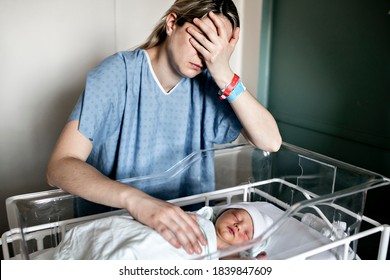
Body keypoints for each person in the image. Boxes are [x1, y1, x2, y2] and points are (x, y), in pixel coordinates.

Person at [46, 0, 282, 257]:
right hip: (119, 232)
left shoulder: (212, 85)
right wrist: (137, 202)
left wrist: (224, 72)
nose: (205, 56)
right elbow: (60, 166)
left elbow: (270, 142)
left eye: (216, 49)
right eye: (201, 40)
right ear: (172, 24)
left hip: (189, 237)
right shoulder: (118, 74)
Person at [52, 202, 273, 260]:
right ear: (223, 212)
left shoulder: (228, 256)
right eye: (237, 217)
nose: (238, 226)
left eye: (247, 232)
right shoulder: (198, 220)